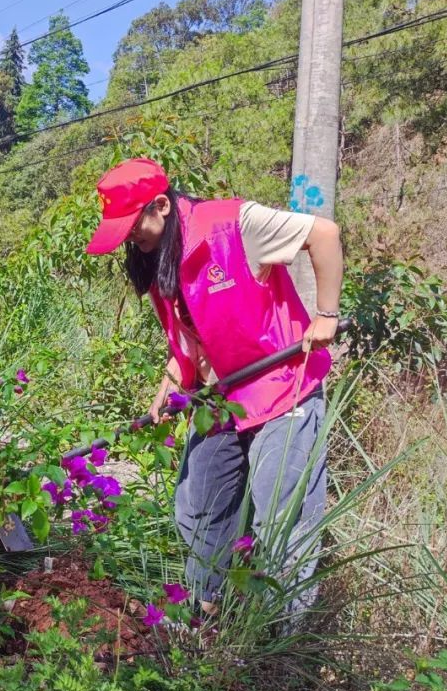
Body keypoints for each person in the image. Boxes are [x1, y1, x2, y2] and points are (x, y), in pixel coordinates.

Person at [85, 157, 343, 616]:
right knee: (197, 507)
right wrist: (170, 384)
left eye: (133, 226)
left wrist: (326, 315)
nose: (131, 239)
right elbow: (191, 338)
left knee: (282, 517)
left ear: (160, 206)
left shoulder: (234, 224)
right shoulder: (160, 257)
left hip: (283, 388)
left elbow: (324, 234)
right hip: (220, 400)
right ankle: (209, 620)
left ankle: (283, 640)